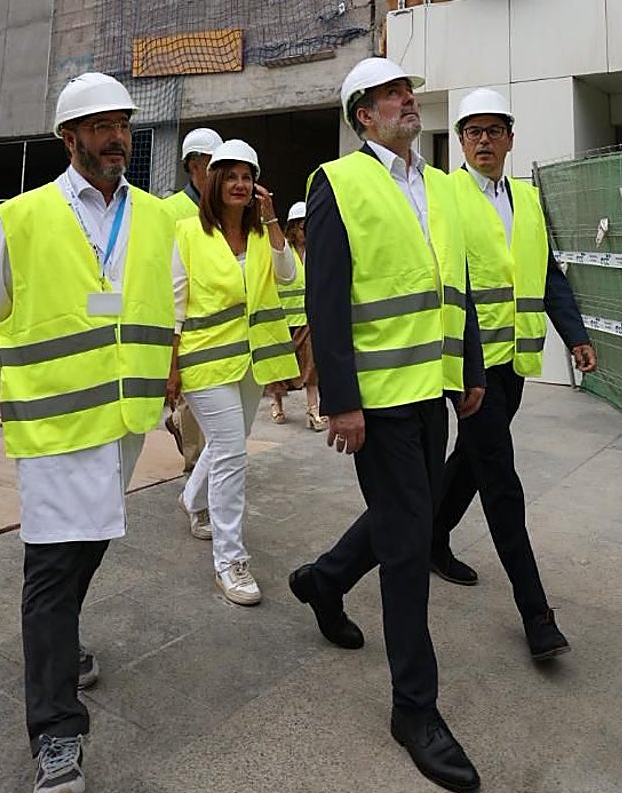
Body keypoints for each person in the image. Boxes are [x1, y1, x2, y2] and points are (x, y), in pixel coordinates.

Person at [0, 72, 175, 793]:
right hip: (55, 418)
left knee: (88, 544)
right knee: (52, 568)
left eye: (123, 123)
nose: (117, 136)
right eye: (101, 126)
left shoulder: (154, 215)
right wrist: (9, 391)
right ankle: (57, 732)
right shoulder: (23, 217)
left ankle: (63, 649)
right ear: (69, 138)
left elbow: (164, 301)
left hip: (122, 417)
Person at [288, 57, 486, 793]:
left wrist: (467, 365)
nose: (409, 99)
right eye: (391, 94)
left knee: (406, 515)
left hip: (430, 388)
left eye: (408, 90)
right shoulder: (337, 182)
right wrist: (341, 399)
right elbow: (327, 298)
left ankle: (322, 580)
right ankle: (415, 708)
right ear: (362, 116)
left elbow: (451, 281)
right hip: (374, 398)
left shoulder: (436, 184)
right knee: (408, 546)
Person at [429, 89, 595, 661]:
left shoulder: (526, 199)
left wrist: (575, 335)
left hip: (515, 363)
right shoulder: (444, 194)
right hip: (469, 366)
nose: (483, 140)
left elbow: (546, 273)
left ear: (509, 138)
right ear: (460, 141)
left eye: (493, 130)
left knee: (474, 461)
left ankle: (430, 535)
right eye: (472, 131)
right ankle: (537, 614)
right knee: (502, 480)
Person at [168, 138, 299, 605]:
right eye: (232, 175)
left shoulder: (265, 233)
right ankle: (230, 561)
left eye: (248, 176)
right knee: (229, 451)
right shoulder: (187, 232)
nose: (240, 184)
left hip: (253, 358)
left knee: (229, 445)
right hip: (205, 360)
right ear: (215, 181)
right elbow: (176, 304)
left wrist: (273, 221)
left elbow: (288, 277)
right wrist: (171, 366)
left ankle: (192, 498)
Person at [161, 127, 223, 477]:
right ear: (195, 164)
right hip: (185, 320)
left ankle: (190, 439)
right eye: (213, 164)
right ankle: (196, 466)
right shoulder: (170, 210)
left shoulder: (225, 207)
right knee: (189, 391)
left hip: (219, 320)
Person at [268, 200, 328, 431]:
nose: (307, 232)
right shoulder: (282, 250)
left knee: (312, 365)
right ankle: (277, 403)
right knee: (279, 365)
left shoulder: (316, 251)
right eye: (303, 227)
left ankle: (313, 409)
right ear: (293, 227)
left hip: (308, 318)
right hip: (283, 319)